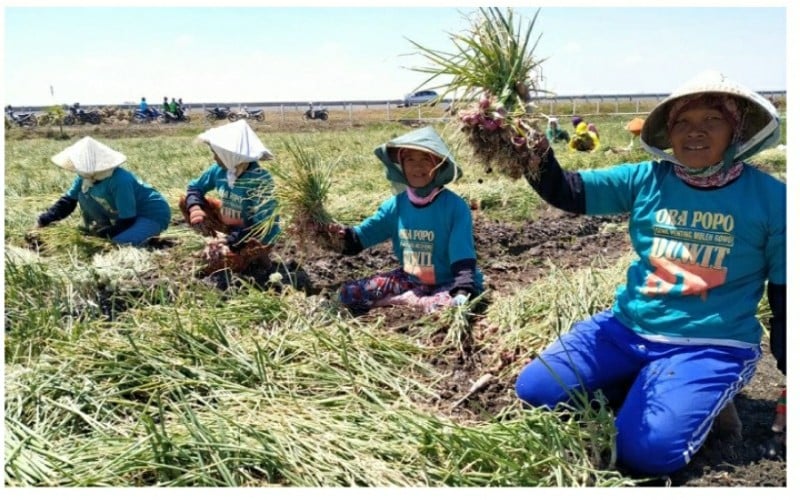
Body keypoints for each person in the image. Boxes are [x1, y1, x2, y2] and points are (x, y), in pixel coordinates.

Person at [514, 70, 785, 476]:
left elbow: (786, 293)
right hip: (626, 329)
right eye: (682, 122)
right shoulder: (646, 178)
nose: (695, 132)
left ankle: (709, 405)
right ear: (668, 133)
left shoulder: (773, 199)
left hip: (711, 343)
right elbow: (566, 191)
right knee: (535, 392)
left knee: (645, 455)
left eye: (711, 120)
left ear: (737, 129)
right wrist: (523, 137)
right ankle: (649, 382)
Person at [316, 126, 484, 315]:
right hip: (410, 279)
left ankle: (404, 300)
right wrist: (336, 235)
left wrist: (463, 290)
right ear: (401, 166)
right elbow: (362, 237)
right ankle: (410, 300)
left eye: (426, 160)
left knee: (445, 309)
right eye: (410, 159)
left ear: (439, 164)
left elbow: (462, 255)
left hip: (449, 280)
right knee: (349, 293)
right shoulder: (395, 206)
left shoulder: (454, 207)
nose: (417, 167)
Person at [179, 119, 281, 274]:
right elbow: (195, 187)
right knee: (184, 201)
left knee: (226, 262)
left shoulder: (259, 180)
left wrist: (230, 240)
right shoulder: (220, 171)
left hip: (253, 233)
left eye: (216, 154)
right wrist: (195, 208)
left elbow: (261, 224)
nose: (214, 158)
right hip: (231, 224)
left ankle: (259, 258)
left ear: (230, 154)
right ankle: (224, 245)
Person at [35, 136, 171, 246]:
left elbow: (127, 219)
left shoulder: (120, 180)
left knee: (118, 244)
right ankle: (102, 226)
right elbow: (68, 202)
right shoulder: (85, 177)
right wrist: (43, 220)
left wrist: (103, 235)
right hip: (126, 215)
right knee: (82, 194)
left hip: (150, 214)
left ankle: (150, 236)